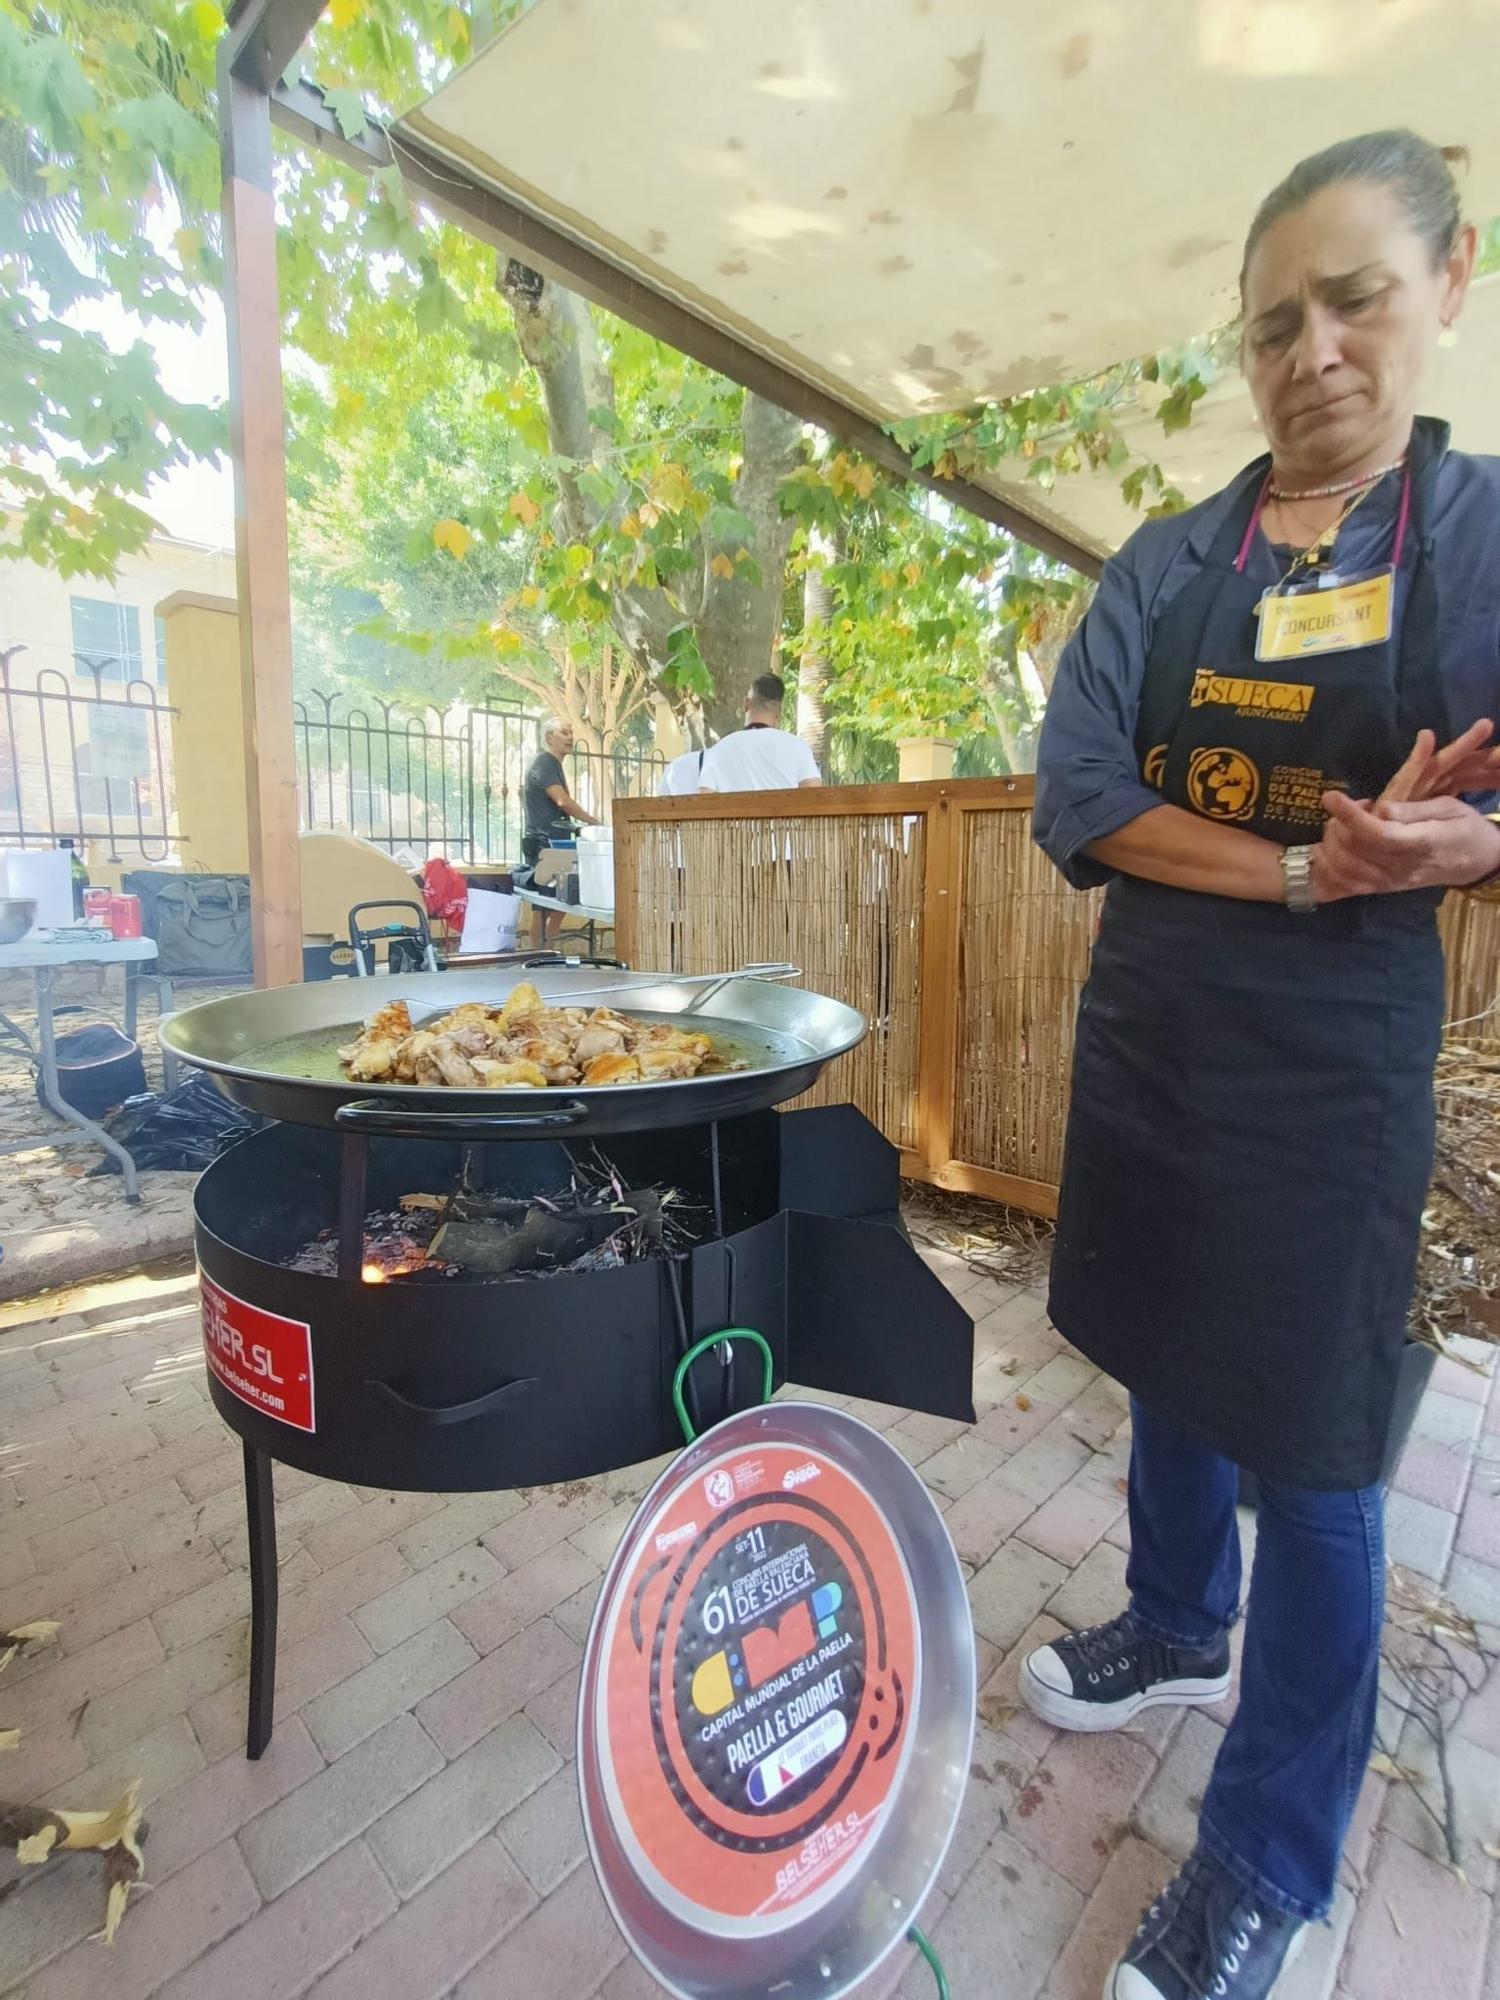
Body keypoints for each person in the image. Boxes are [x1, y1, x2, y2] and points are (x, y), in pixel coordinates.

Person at [1029, 130, 1500, 2000]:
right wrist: (1307, 861)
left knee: (1310, 1448)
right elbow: (1084, 792)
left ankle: (1268, 1854)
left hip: (1329, 1072)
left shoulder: (1468, 540)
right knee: (1160, 1337)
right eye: (1273, 323)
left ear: (1448, 282)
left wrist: (1475, 845)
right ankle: (1174, 1617)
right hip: (1157, 1037)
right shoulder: (1176, 556)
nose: (1311, 351)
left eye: (1354, 300)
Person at [522, 717, 600, 943]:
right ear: (549, 738)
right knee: (542, 905)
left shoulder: (553, 764)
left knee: (562, 899)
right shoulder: (544, 763)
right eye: (564, 733)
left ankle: (551, 950)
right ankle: (538, 955)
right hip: (543, 844)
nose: (570, 738)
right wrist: (592, 821)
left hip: (557, 843)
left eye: (571, 733)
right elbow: (562, 801)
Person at [697, 674, 822, 792]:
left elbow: (704, 798)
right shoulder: (798, 747)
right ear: (779, 711)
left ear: (746, 704)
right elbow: (814, 796)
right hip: (783, 814)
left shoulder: (718, 750)